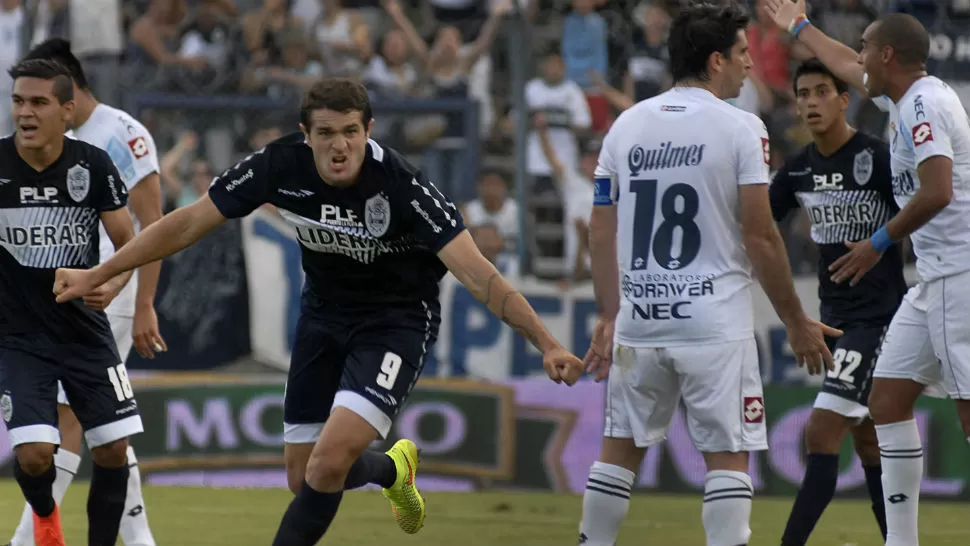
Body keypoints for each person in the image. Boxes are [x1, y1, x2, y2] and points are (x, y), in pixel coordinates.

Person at [51, 77, 585, 545]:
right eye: (326, 133)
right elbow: (188, 222)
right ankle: (392, 470)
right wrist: (100, 273)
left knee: (328, 463)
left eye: (350, 131)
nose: (339, 145)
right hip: (323, 317)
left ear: (369, 129)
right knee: (303, 474)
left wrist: (548, 342)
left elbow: (479, 275)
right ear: (305, 135)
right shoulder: (277, 166)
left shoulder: (404, 187)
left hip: (395, 323)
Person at [575, 4, 840, 546]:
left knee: (618, 449)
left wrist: (608, 313)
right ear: (716, 60)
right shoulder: (743, 127)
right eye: (743, 53)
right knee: (726, 456)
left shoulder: (626, 125)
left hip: (641, 319)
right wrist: (794, 321)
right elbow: (762, 236)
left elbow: (600, 232)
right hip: (712, 322)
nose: (749, 65)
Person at [765, 3, 970, 544]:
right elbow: (842, 62)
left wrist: (877, 243)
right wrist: (801, 28)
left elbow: (938, 190)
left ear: (886, 54)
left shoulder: (922, 106)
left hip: (959, 274)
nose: (856, 59)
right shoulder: (905, 95)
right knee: (885, 403)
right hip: (932, 283)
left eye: (864, 49)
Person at [7, 37, 166, 546]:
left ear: (67, 103)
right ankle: (44, 522)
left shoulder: (104, 150)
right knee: (42, 450)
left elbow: (140, 234)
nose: (25, 112)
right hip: (21, 330)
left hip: (90, 318)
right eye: (18, 101)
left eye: (38, 102)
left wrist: (123, 288)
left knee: (112, 443)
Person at [771, 59, 906, 546]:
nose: (810, 102)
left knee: (820, 434)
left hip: (881, 319)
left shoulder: (880, 157)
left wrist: (882, 244)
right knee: (868, 442)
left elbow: (926, 210)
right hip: (836, 322)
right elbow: (757, 225)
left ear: (843, 99)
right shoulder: (799, 169)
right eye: (802, 93)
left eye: (821, 91)